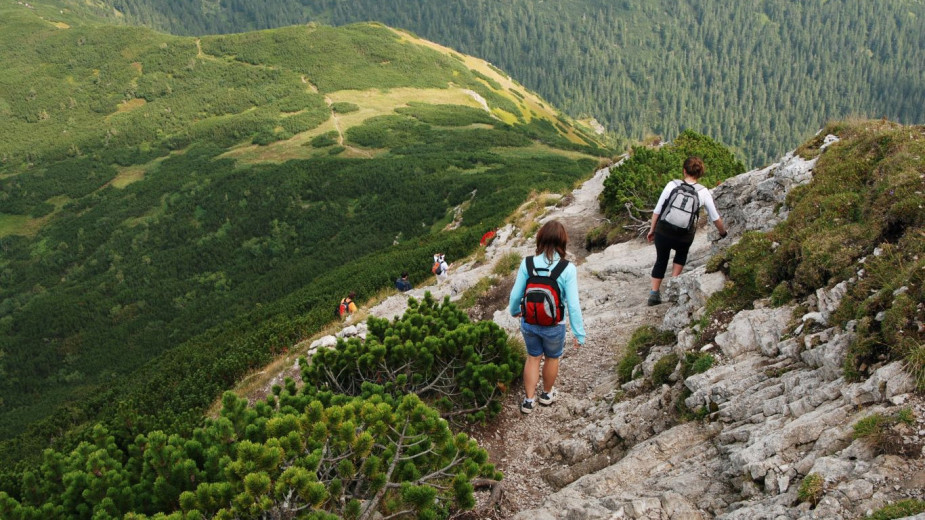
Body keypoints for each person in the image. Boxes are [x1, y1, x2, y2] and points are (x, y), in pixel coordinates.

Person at [508, 220, 586, 414]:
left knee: (533, 357)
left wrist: (514, 310)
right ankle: (547, 395)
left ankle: (528, 401)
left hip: (529, 321)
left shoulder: (527, 263)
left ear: (540, 238)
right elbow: (573, 305)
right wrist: (579, 333)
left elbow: (515, 295)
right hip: (554, 324)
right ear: (563, 241)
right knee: (552, 358)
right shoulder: (567, 268)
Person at [646, 156, 727, 306]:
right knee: (681, 256)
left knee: (661, 260)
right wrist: (723, 233)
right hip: (684, 236)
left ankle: (654, 294)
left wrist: (652, 230)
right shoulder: (703, 192)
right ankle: (673, 286)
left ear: (684, 171)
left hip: (663, 231)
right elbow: (715, 217)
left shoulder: (672, 185)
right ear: (700, 173)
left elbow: (657, 210)